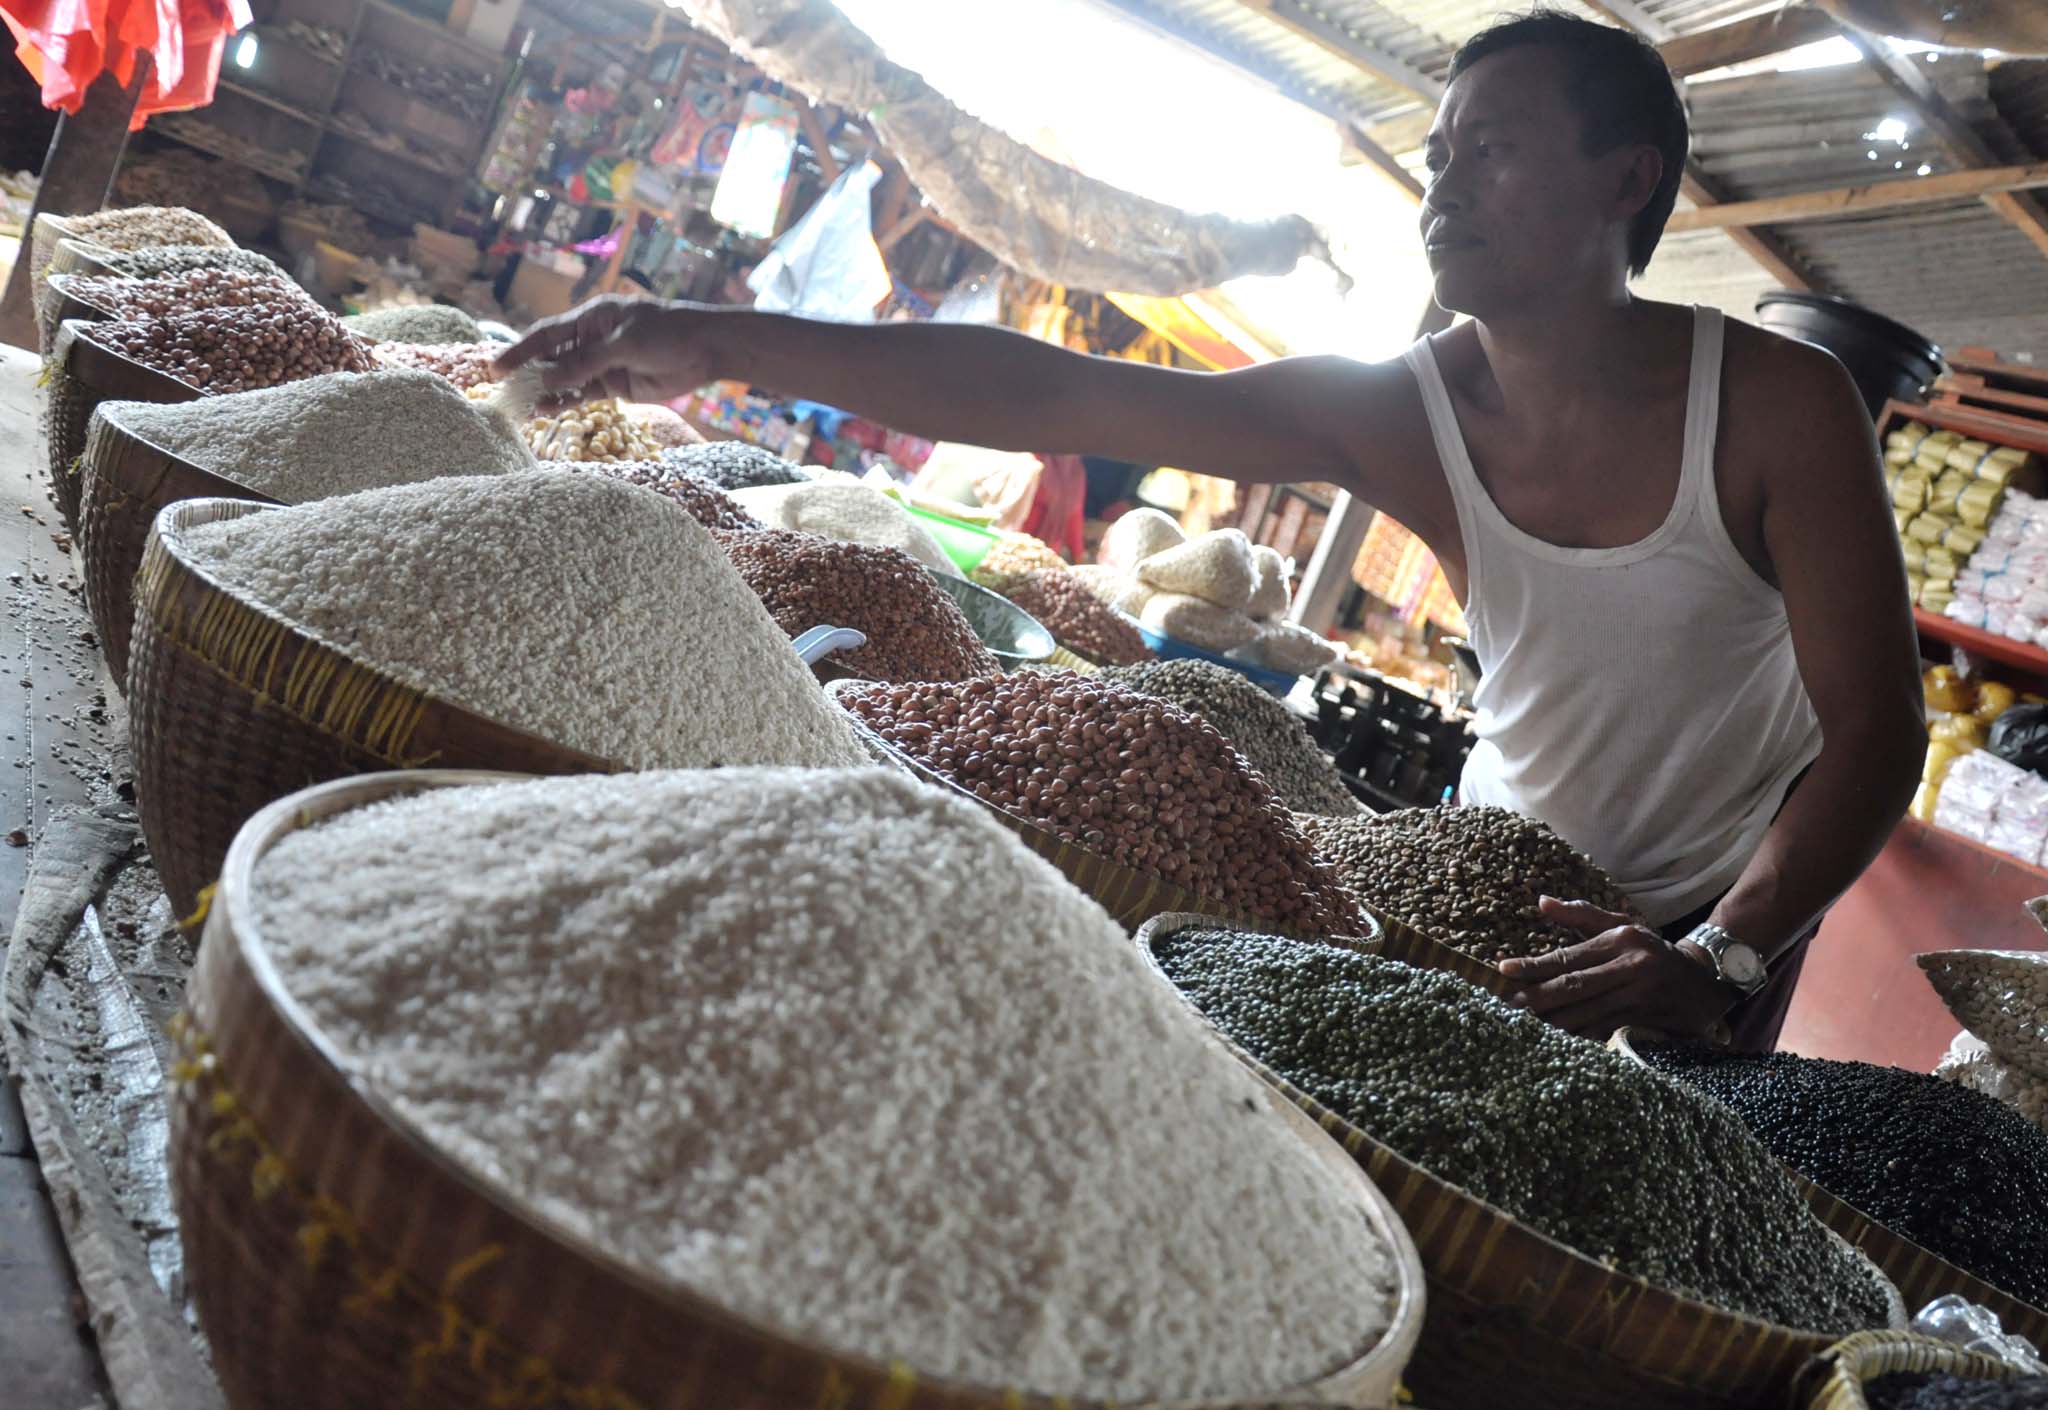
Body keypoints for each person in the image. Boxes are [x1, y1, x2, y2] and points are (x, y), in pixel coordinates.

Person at [496, 11, 1924, 1051]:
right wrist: (706, 337)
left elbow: (1876, 731)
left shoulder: (1781, 409)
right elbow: (1061, 390)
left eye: (1490, 151)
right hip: (1485, 885)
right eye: (1437, 153)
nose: (1441, 185)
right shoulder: (1405, 412)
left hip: (1706, 930)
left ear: (1625, 181)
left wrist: (1730, 955)